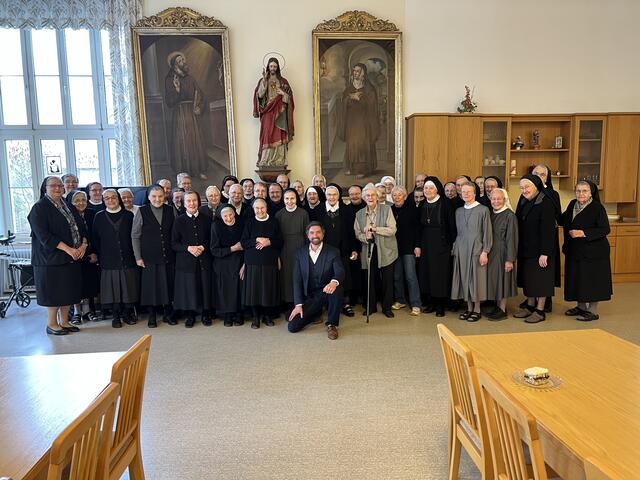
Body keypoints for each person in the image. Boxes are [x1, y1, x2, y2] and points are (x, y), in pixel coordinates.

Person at [28, 177, 87, 335]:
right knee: (53, 294)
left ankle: (65, 322)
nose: (57, 188)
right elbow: (44, 236)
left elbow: (81, 226)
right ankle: (52, 324)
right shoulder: (39, 208)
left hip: (71, 257)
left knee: (67, 291)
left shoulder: (67, 205)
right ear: (45, 188)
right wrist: (69, 250)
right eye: (53, 186)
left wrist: (83, 246)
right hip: (50, 259)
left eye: (60, 186)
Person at [561, 181, 612, 321]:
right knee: (578, 278)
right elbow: (564, 219)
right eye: (578, 191)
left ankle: (592, 311)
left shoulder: (597, 208)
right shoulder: (572, 204)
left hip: (594, 252)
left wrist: (583, 233)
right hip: (575, 250)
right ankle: (581, 307)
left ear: (591, 193)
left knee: (592, 280)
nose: (581, 194)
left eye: (584, 191)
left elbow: (605, 229)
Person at [288, 222, 345, 340]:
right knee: (292, 327)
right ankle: (316, 312)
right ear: (308, 236)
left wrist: (333, 282)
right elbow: (297, 280)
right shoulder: (300, 253)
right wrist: (298, 305)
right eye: (312, 232)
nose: (315, 235)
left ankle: (332, 324)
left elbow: (340, 271)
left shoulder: (333, 251)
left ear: (323, 235)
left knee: (337, 289)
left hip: (326, 292)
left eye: (318, 232)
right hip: (309, 296)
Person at [92, 189, 139, 328]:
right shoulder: (99, 217)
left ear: (118, 199)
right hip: (108, 259)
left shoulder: (129, 215)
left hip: (127, 258)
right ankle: (116, 316)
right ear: (103, 200)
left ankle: (127, 314)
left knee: (128, 289)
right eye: (107, 198)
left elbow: (135, 237)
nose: (111, 200)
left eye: (113, 197)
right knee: (113, 290)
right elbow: (95, 239)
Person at [513, 174, 557, 323]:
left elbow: (549, 231)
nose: (524, 190)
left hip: (541, 251)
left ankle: (540, 310)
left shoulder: (545, 203)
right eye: (522, 188)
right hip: (526, 248)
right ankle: (530, 306)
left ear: (537, 186)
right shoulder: (525, 201)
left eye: (527, 187)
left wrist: (545, 253)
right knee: (529, 279)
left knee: (541, 281)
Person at [132, 185, 175, 328]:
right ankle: (152, 316)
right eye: (154, 196)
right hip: (149, 257)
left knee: (168, 286)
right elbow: (135, 235)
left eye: (160, 196)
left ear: (164, 196)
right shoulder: (142, 211)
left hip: (168, 255)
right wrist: (138, 257)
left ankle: (168, 314)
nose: (157, 199)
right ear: (149, 197)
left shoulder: (170, 210)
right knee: (151, 288)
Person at [451, 182, 493, 321]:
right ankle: (468, 308)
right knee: (465, 280)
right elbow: (458, 232)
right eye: (464, 192)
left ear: (475, 193)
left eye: (469, 191)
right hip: (462, 249)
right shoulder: (458, 211)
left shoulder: (483, 210)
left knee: (476, 280)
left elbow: (487, 233)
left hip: (477, 249)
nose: (466, 194)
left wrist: (485, 251)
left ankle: (477, 309)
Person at [354, 185, 398, 317]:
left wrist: (375, 229)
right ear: (364, 198)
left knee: (387, 281)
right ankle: (370, 307)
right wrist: (366, 238)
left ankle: (387, 308)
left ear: (377, 197)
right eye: (367, 196)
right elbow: (357, 233)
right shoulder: (359, 214)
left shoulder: (387, 209)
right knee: (370, 279)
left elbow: (392, 230)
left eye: (373, 195)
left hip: (386, 250)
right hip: (369, 250)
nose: (370, 198)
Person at [172, 191, 213, 327]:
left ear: (198, 202)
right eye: (188, 201)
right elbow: (174, 244)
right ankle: (190, 315)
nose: (192, 203)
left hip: (204, 259)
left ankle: (206, 313)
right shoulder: (179, 220)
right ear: (184, 204)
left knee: (205, 287)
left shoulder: (207, 219)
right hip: (186, 261)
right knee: (189, 288)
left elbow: (212, 240)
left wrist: (203, 247)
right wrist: (189, 248)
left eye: (194, 200)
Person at [241, 198, 283, 329]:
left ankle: (267, 316)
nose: (260, 211)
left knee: (268, 290)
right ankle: (255, 317)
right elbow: (243, 242)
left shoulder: (274, 221)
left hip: (269, 261)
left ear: (266, 208)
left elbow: (280, 241)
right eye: (257, 208)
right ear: (253, 209)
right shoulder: (249, 222)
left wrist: (269, 241)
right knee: (254, 291)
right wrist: (256, 240)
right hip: (252, 262)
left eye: (262, 208)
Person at [418, 177, 457, 317]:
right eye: (426, 188)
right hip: (426, 244)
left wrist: (451, 245)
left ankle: (440, 305)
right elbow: (418, 228)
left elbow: (452, 226)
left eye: (431, 188)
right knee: (427, 274)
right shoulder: (422, 204)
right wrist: (418, 245)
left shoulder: (445, 204)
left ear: (437, 189)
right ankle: (431, 303)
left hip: (442, 244)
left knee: (440, 275)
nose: (427, 190)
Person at [165, 51, 207, 179]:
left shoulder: (190, 78)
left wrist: (199, 106)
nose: (184, 62)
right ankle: (183, 172)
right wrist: (177, 90)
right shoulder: (170, 79)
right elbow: (169, 101)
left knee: (195, 141)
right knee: (182, 142)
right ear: (174, 65)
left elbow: (200, 94)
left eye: (183, 60)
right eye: (180, 61)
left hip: (191, 113)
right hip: (180, 114)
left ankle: (197, 170)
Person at [321, 185, 359, 317]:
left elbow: (351, 231)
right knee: (326, 277)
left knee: (343, 277)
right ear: (326, 195)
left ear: (339, 196)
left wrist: (354, 249)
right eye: (329, 195)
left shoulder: (346, 210)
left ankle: (345, 304)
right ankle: (327, 304)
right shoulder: (319, 209)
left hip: (342, 250)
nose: (332, 197)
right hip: (324, 252)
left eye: (334, 195)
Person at [338, 63, 379, 178]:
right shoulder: (349, 88)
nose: (355, 73)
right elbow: (343, 102)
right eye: (354, 71)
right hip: (352, 121)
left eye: (357, 71)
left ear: (363, 73)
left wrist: (360, 99)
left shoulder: (369, 89)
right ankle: (352, 168)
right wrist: (349, 98)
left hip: (364, 121)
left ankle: (362, 169)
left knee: (362, 143)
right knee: (352, 144)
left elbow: (372, 105)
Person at [253, 57, 294, 166]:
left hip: (280, 111)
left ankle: (279, 160)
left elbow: (290, 99)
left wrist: (283, 94)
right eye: (271, 66)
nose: (273, 68)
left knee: (279, 133)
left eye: (275, 66)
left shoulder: (283, 82)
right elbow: (260, 95)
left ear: (278, 67)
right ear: (268, 67)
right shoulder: (263, 80)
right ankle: (265, 160)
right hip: (267, 111)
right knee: (266, 134)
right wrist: (264, 81)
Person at [532, 163, 561, 312]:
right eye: (536, 173)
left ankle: (545, 302)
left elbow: (557, 218)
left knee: (545, 270)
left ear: (547, 177)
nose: (538, 176)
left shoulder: (551, 194)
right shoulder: (528, 192)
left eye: (542, 174)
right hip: (532, 240)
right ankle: (532, 299)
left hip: (547, 238)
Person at [67, 190, 100, 324]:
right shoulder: (68, 216)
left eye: (83, 200)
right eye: (77, 201)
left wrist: (95, 253)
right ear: (71, 203)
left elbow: (96, 235)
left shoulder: (92, 214)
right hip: (73, 254)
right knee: (76, 284)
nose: (81, 203)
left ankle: (87, 310)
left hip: (90, 254)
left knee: (88, 283)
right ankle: (76, 312)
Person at [486, 188, 518, 320]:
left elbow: (512, 238)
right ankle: (497, 306)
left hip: (504, 253)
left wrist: (510, 259)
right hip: (492, 253)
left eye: (499, 199)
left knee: (503, 281)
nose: (496, 201)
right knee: (495, 281)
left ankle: (503, 309)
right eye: (493, 199)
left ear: (504, 200)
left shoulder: (510, 215)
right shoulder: (491, 213)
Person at [211, 205, 245, 327]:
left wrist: (245, 263)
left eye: (231, 214)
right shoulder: (216, 226)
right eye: (225, 216)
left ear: (234, 214)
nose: (229, 218)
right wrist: (232, 248)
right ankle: (228, 315)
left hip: (240, 261)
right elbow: (214, 250)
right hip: (223, 263)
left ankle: (239, 314)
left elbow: (246, 244)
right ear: (221, 216)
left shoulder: (241, 224)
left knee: (238, 289)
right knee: (225, 290)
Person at [390, 186, 422, 315]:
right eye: (394, 195)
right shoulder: (390, 210)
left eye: (399, 195)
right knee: (397, 276)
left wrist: (417, 245)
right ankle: (400, 300)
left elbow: (417, 229)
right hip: (394, 248)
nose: (397, 198)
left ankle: (416, 304)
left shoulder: (412, 209)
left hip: (409, 247)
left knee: (410, 276)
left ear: (404, 196)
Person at [276, 189, 309, 309]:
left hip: (300, 247)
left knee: (300, 275)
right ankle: (288, 303)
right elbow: (277, 235)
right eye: (287, 199)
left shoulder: (303, 213)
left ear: (296, 199)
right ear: (283, 200)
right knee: (286, 276)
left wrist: (307, 251)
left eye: (292, 198)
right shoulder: (279, 214)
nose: (289, 201)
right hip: (284, 248)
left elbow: (307, 234)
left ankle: (300, 302)